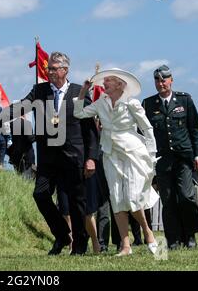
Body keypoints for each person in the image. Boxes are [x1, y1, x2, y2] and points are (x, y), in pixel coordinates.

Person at [0, 52, 100, 255]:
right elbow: (20, 107)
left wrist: (91, 158)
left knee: (77, 202)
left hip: (74, 156)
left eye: (54, 68)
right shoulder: (40, 90)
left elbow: (90, 128)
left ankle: (80, 247)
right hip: (48, 157)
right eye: (49, 69)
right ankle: (63, 236)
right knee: (40, 194)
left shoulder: (78, 92)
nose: (50, 72)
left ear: (65, 70)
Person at [73, 68, 159, 256]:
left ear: (120, 84)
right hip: (110, 154)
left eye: (108, 80)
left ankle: (148, 232)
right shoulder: (100, 103)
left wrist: (151, 158)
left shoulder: (131, 103)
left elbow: (147, 129)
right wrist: (82, 92)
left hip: (133, 154)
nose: (104, 83)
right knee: (117, 199)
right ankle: (125, 246)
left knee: (133, 197)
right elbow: (79, 113)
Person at [142, 65, 198, 250]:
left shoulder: (184, 100)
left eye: (164, 80)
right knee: (168, 201)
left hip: (184, 158)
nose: (161, 83)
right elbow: (143, 133)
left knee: (186, 197)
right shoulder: (148, 104)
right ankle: (173, 240)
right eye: (157, 80)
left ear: (171, 80)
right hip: (162, 161)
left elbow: (195, 129)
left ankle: (190, 235)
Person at [7, 113, 35, 179]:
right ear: (24, 114)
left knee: (18, 177)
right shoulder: (27, 123)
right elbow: (30, 138)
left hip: (15, 156)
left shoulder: (11, 124)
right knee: (27, 178)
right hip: (27, 156)